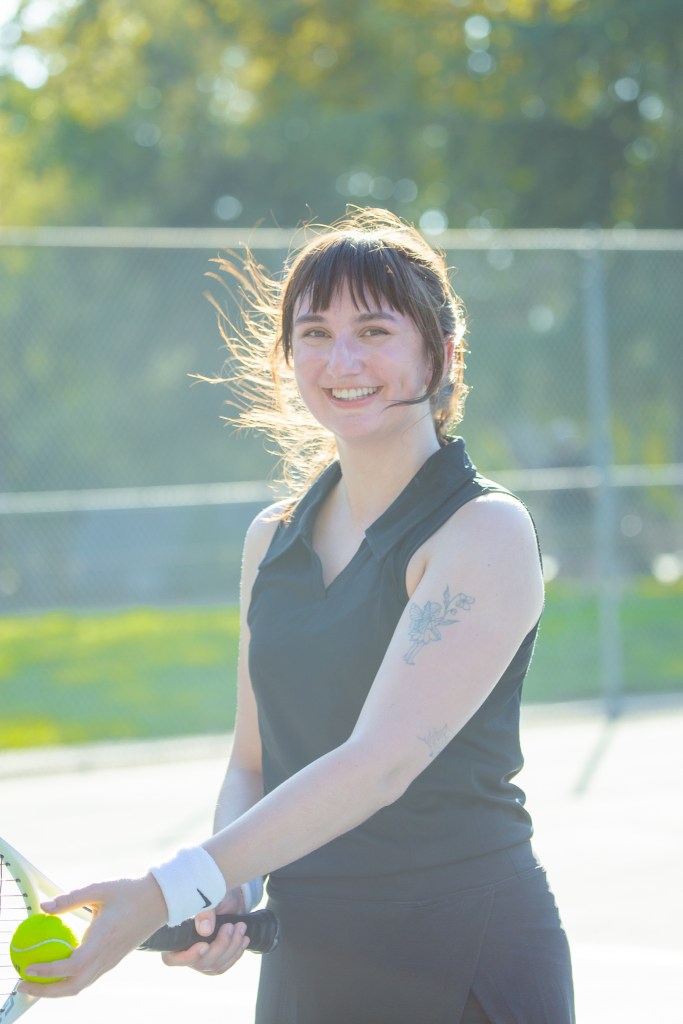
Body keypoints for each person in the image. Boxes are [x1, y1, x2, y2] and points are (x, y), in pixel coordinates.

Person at [20, 209, 575, 1023]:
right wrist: (229, 891)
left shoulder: (483, 531)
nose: (341, 360)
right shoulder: (270, 539)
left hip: (462, 954)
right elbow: (252, 761)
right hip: (309, 959)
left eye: (374, 330)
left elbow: (380, 763)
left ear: (441, 355)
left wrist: (168, 888)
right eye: (314, 334)